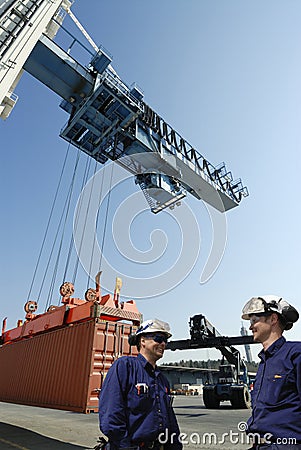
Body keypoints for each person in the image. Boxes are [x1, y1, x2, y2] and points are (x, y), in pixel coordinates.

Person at [98, 319, 183, 450]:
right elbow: (111, 414)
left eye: (165, 341)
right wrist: (125, 446)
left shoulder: (162, 380)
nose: (163, 344)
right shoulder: (125, 367)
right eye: (159, 339)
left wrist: (175, 445)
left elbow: (169, 418)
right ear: (142, 340)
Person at [241, 295, 301, 449]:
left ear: (273, 319)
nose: (250, 327)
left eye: (254, 320)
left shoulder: (295, 354)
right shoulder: (264, 363)